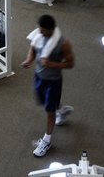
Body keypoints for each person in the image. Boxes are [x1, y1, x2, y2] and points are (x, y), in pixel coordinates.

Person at [21, 14, 75, 158]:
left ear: (50, 30)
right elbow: (32, 48)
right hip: (39, 77)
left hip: (53, 81)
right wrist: (29, 60)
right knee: (44, 102)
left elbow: (70, 63)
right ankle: (62, 109)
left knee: (49, 111)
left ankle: (47, 141)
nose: (39, 32)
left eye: (42, 30)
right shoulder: (39, 35)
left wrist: (52, 64)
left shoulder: (63, 44)